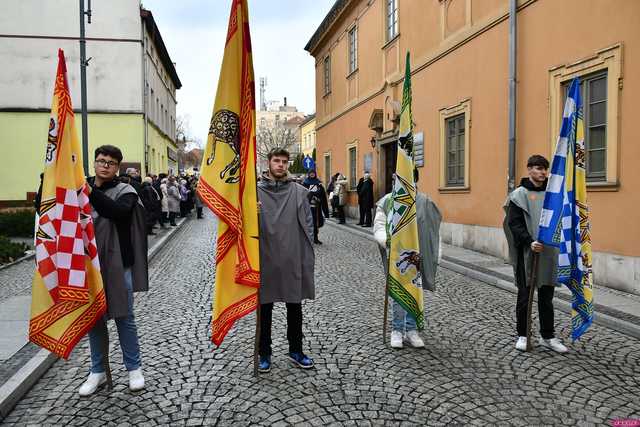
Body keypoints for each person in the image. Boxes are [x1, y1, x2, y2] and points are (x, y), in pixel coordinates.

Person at [79, 145, 149, 396]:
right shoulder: (79, 186)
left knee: (124, 316)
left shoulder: (127, 191)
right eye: (101, 160)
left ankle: (134, 368)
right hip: (89, 264)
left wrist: (90, 192)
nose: (105, 165)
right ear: (94, 162)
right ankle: (97, 371)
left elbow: (116, 212)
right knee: (94, 319)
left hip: (120, 265)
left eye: (111, 162)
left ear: (117, 167)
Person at [257, 148, 316, 373]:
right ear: (269, 163)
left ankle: (296, 350)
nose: (280, 165)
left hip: (292, 257)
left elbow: (308, 228)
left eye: (284, 161)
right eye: (276, 161)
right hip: (265, 257)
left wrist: (304, 258)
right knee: (265, 308)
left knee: (295, 306)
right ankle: (264, 353)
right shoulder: (254, 193)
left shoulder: (299, 192)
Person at [503, 154, 568, 353]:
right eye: (538, 168)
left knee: (546, 297)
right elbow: (514, 223)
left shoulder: (552, 195)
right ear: (529, 169)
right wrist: (529, 242)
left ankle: (547, 336)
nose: (543, 173)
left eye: (545, 169)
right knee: (525, 296)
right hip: (527, 253)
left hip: (548, 254)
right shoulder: (519, 195)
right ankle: (523, 334)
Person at [373, 170, 442, 349]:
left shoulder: (425, 202)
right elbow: (379, 224)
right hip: (397, 257)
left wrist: (436, 255)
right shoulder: (388, 201)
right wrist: (384, 240)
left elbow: (434, 231)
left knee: (415, 291)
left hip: (417, 258)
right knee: (398, 293)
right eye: (395, 179)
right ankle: (396, 330)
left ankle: (411, 330)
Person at [302, 170, 330, 244]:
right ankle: (307, 238)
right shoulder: (305, 184)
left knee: (316, 223)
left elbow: (323, 197)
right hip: (307, 207)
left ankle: (315, 238)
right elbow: (302, 195)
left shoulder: (319, 184)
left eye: (313, 173)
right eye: (311, 173)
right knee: (307, 223)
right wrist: (310, 195)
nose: (312, 174)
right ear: (308, 174)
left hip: (316, 207)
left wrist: (325, 211)